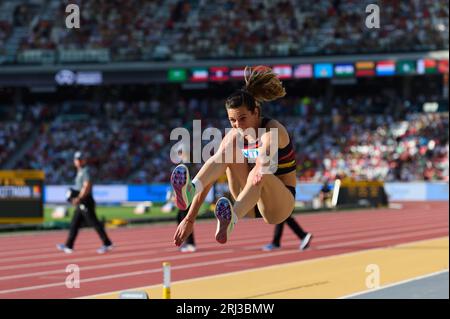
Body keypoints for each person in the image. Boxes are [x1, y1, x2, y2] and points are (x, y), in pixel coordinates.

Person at [171, 65, 299, 246]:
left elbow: (266, 153)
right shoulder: (234, 136)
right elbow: (211, 178)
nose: (238, 125)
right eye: (232, 120)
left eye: (242, 118)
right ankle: (190, 189)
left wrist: (261, 166)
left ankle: (231, 218)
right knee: (225, 154)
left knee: (261, 171)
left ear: (256, 112)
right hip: (247, 201)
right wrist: (190, 219)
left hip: (278, 206)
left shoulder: (272, 129)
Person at [56, 151, 113, 254]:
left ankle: (107, 243)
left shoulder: (85, 171)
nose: (77, 161)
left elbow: (87, 185)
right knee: (74, 223)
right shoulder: (80, 171)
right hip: (81, 201)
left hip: (86, 201)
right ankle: (69, 246)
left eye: (79, 159)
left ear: (83, 160)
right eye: (76, 159)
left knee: (94, 223)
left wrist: (79, 198)